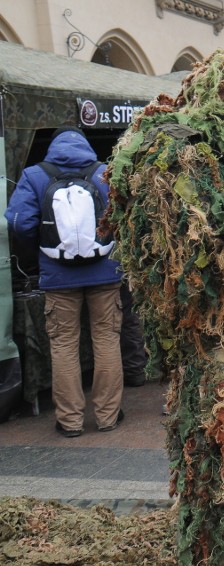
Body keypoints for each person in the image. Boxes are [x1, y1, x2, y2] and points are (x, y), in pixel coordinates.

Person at [104, 48, 224, 563]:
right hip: (200, 332)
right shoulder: (177, 151)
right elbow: (212, 250)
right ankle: (212, 551)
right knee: (209, 443)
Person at [5, 126, 124, 437]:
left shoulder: (34, 175)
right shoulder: (104, 172)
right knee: (107, 340)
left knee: (63, 345)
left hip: (58, 277)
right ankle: (108, 417)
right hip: (105, 272)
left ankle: (70, 421)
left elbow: (18, 221)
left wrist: (42, 250)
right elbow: (125, 216)